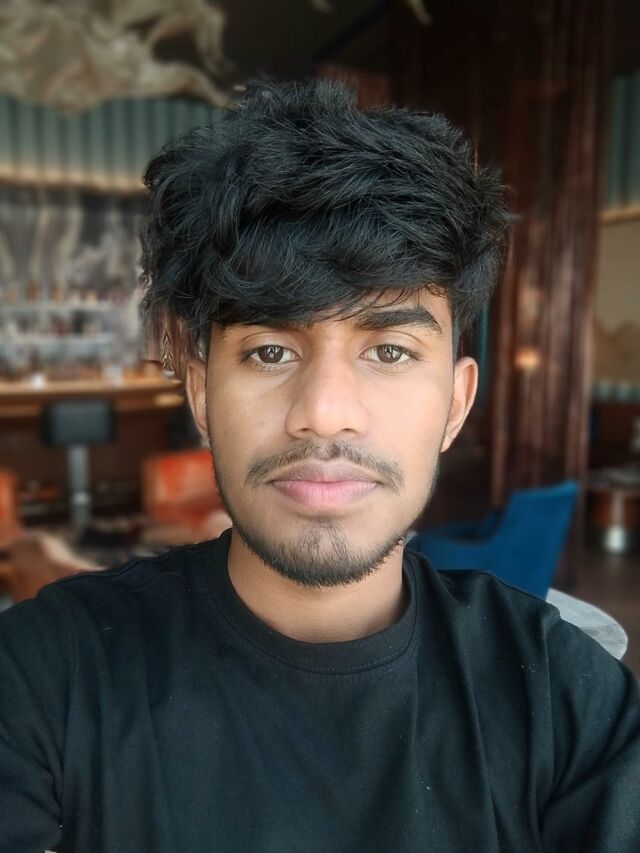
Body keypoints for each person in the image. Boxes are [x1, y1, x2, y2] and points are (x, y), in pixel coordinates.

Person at [1, 80, 638, 853]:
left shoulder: (564, 697)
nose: (325, 410)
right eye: (270, 350)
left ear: (455, 403)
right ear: (201, 391)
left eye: (389, 350)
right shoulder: (46, 672)